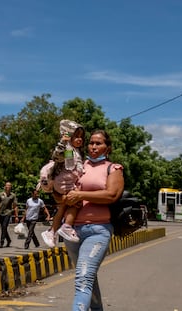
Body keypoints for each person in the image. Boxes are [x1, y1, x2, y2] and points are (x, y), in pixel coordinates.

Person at [59, 129, 124, 311]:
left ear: (107, 148)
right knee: (87, 276)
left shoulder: (113, 168)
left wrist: (80, 194)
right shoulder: (79, 165)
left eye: (99, 143)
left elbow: (111, 195)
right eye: (91, 143)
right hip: (71, 232)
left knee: (84, 277)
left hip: (98, 230)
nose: (94, 146)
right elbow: (63, 181)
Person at [41, 120, 85, 248]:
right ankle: (66, 226)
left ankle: (52, 231)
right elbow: (59, 158)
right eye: (76, 136)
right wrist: (63, 142)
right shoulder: (69, 149)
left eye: (81, 137)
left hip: (65, 182)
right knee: (76, 202)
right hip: (64, 182)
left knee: (63, 207)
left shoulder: (75, 151)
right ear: (70, 136)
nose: (80, 139)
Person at [0, 182, 18, 248]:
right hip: (1, 213)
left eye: (9, 186)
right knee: (3, 228)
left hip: (8, 212)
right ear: (5, 187)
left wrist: (16, 216)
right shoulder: (0, 194)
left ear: (11, 187)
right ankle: (9, 240)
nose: (8, 187)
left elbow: (15, 206)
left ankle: (2, 242)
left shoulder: (13, 195)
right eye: (7, 185)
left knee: (4, 226)